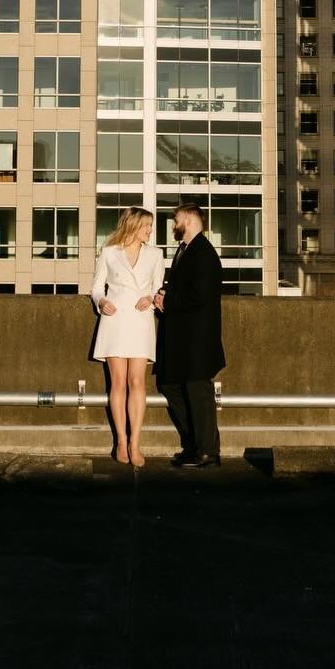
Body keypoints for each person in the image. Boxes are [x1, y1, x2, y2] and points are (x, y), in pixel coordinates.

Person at [88, 207, 165, 467]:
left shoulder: (155, 255)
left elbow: (158, 288)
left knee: (138, 382)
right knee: (118, 382)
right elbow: (97, 288)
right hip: (116, 319)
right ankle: (121, 440)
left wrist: (151, 299)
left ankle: (135, 442)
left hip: (141, 322)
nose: (150, 231)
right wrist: (102, 302)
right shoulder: (109, 252)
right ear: (133, 225)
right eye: (147, 226)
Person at [153, 197, 225, 468]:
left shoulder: (203, 252)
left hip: (196, 340)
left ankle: (207, 450)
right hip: (182, 339)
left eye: (176, 218)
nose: (173, 223)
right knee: (170, 386)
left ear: (190, 218)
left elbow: (201, 296)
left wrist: (167, 302)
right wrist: (166, 297)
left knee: (198, 393)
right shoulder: (187, 250)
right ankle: (194, 445)